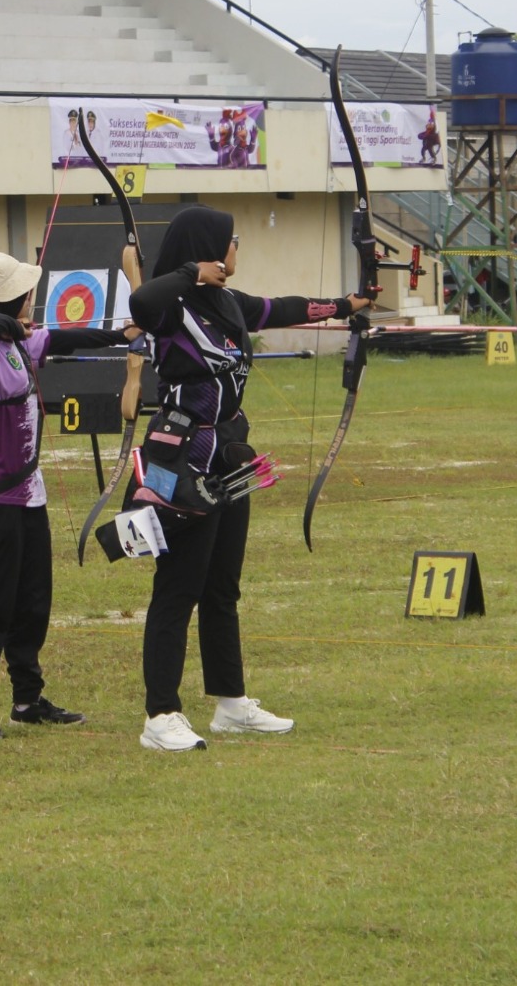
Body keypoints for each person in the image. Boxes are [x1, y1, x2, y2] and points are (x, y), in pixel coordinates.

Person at [125, 205, 372, 752]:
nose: (238, 248)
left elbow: (280, 308)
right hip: (183, 459)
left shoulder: (226, 304)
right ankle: (160, 713)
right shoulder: (174, 307)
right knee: (177, 588)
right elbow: (141, 303)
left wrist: (347, 304)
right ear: (209, 251)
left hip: (228, 457)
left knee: (221, 587)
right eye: (231, 241)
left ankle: (230, 703)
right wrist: (192, 273)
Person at [0, 252, 139, 740]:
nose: (32, 300)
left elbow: (69, 337)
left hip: (30, 497)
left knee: (32, 601)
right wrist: (12, 323)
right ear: (6, 299)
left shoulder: (15, 341)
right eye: (23, 294)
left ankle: (27, 698)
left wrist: (123, 334)